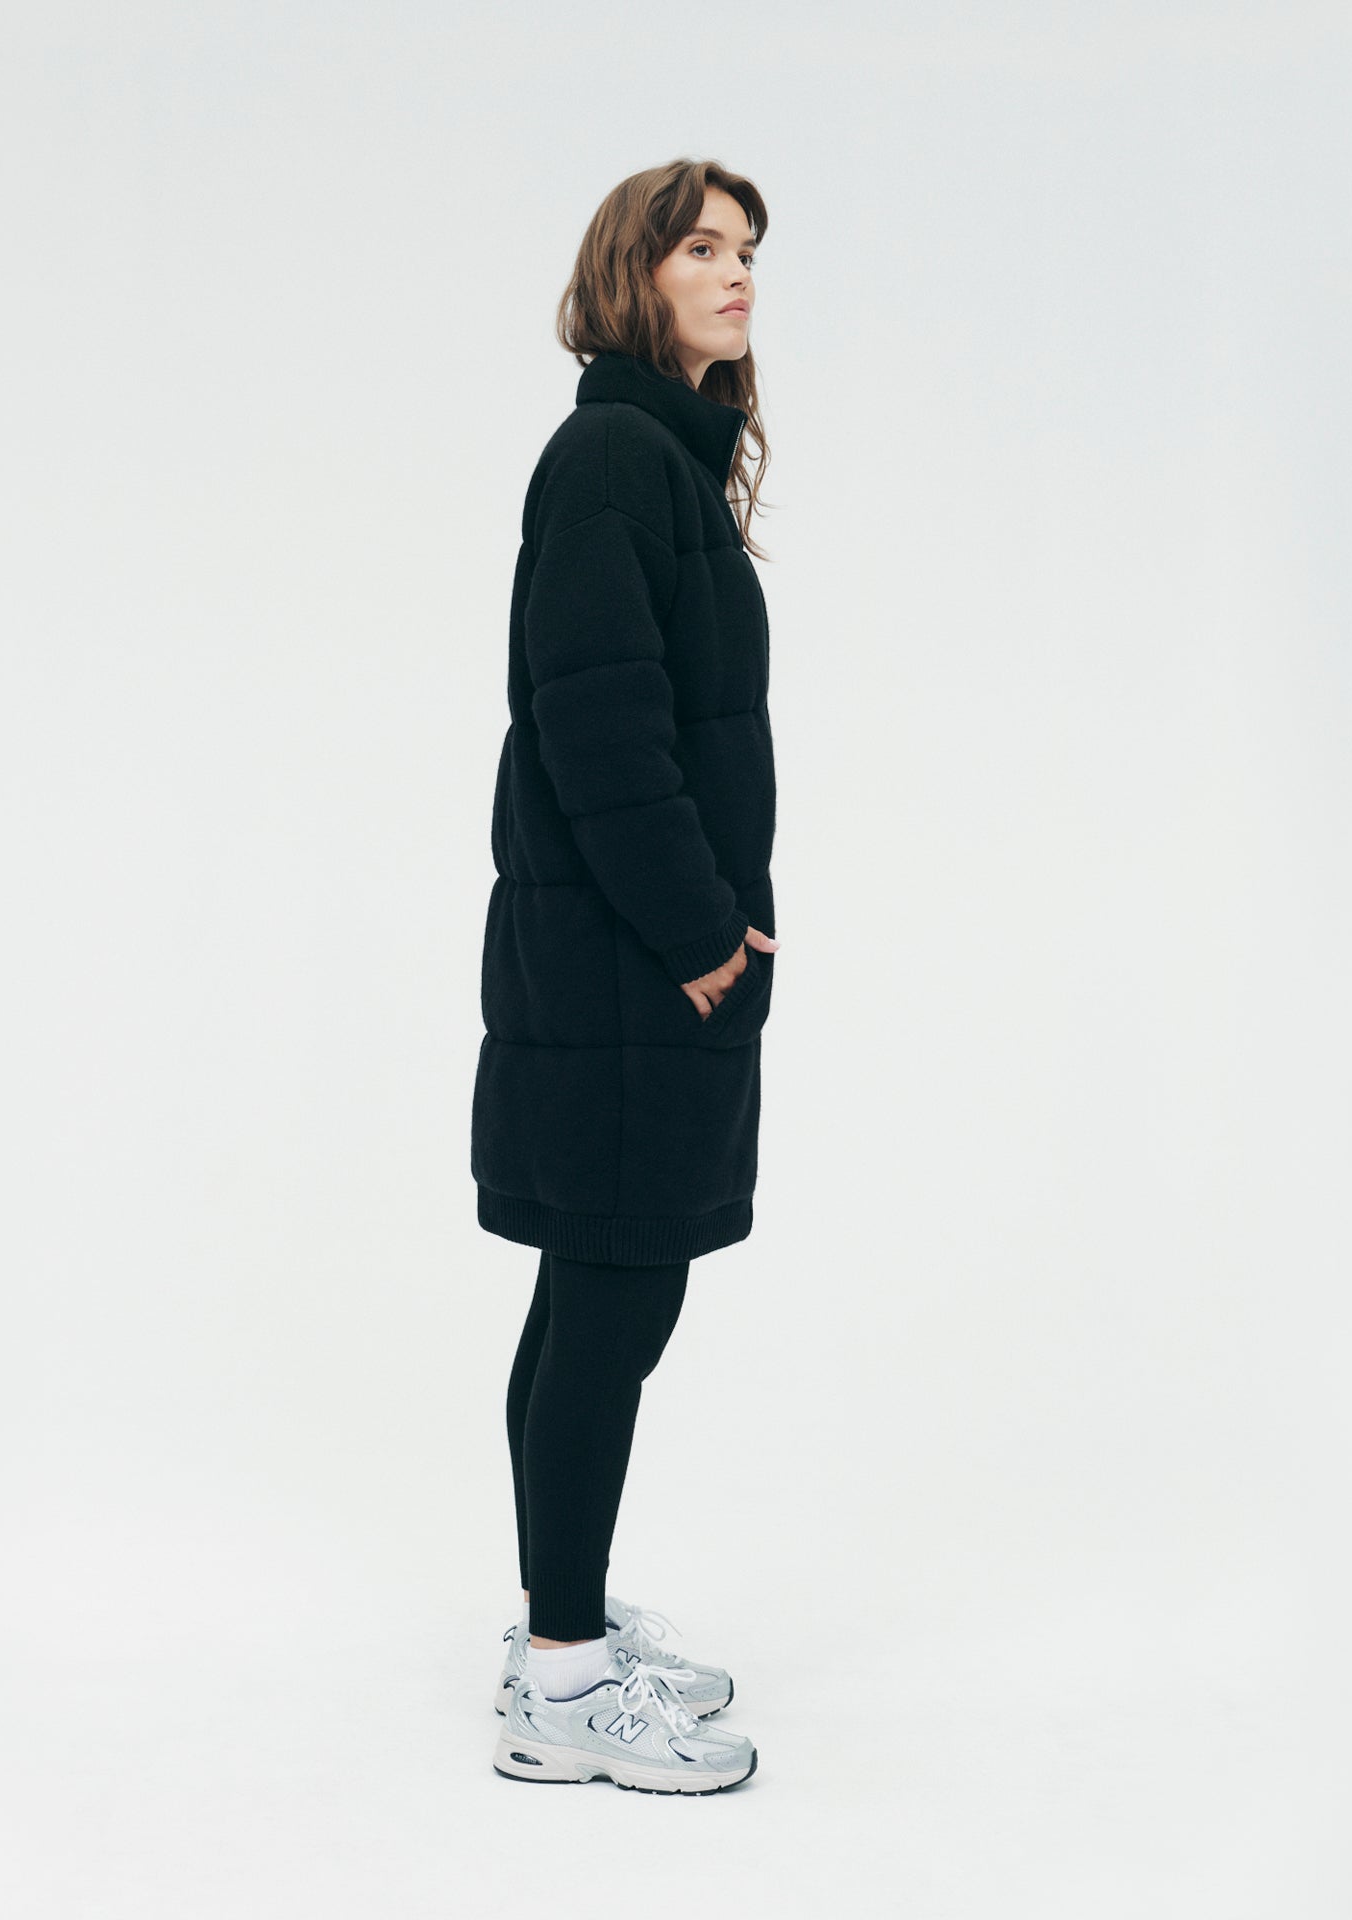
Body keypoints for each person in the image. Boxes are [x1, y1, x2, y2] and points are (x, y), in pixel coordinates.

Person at [472, 159, 778, 1793]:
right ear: (631, 274)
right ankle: (565, 1687)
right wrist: (702, 936)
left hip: (626, 970)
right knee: (610, 1300)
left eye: (749, 252)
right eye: (702, 248)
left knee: (592, 1297)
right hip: (627, 973)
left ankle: (561, 1623)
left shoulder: (657, 461)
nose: (738, 275)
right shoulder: (609, 460)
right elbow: (600, 728)